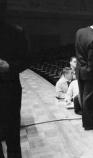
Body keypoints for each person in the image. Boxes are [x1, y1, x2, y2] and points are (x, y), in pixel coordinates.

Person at [0, 0, 29, 157]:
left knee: (12, 137)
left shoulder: (15, 32)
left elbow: (26, 61)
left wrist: (9, 66)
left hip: (8, 91)